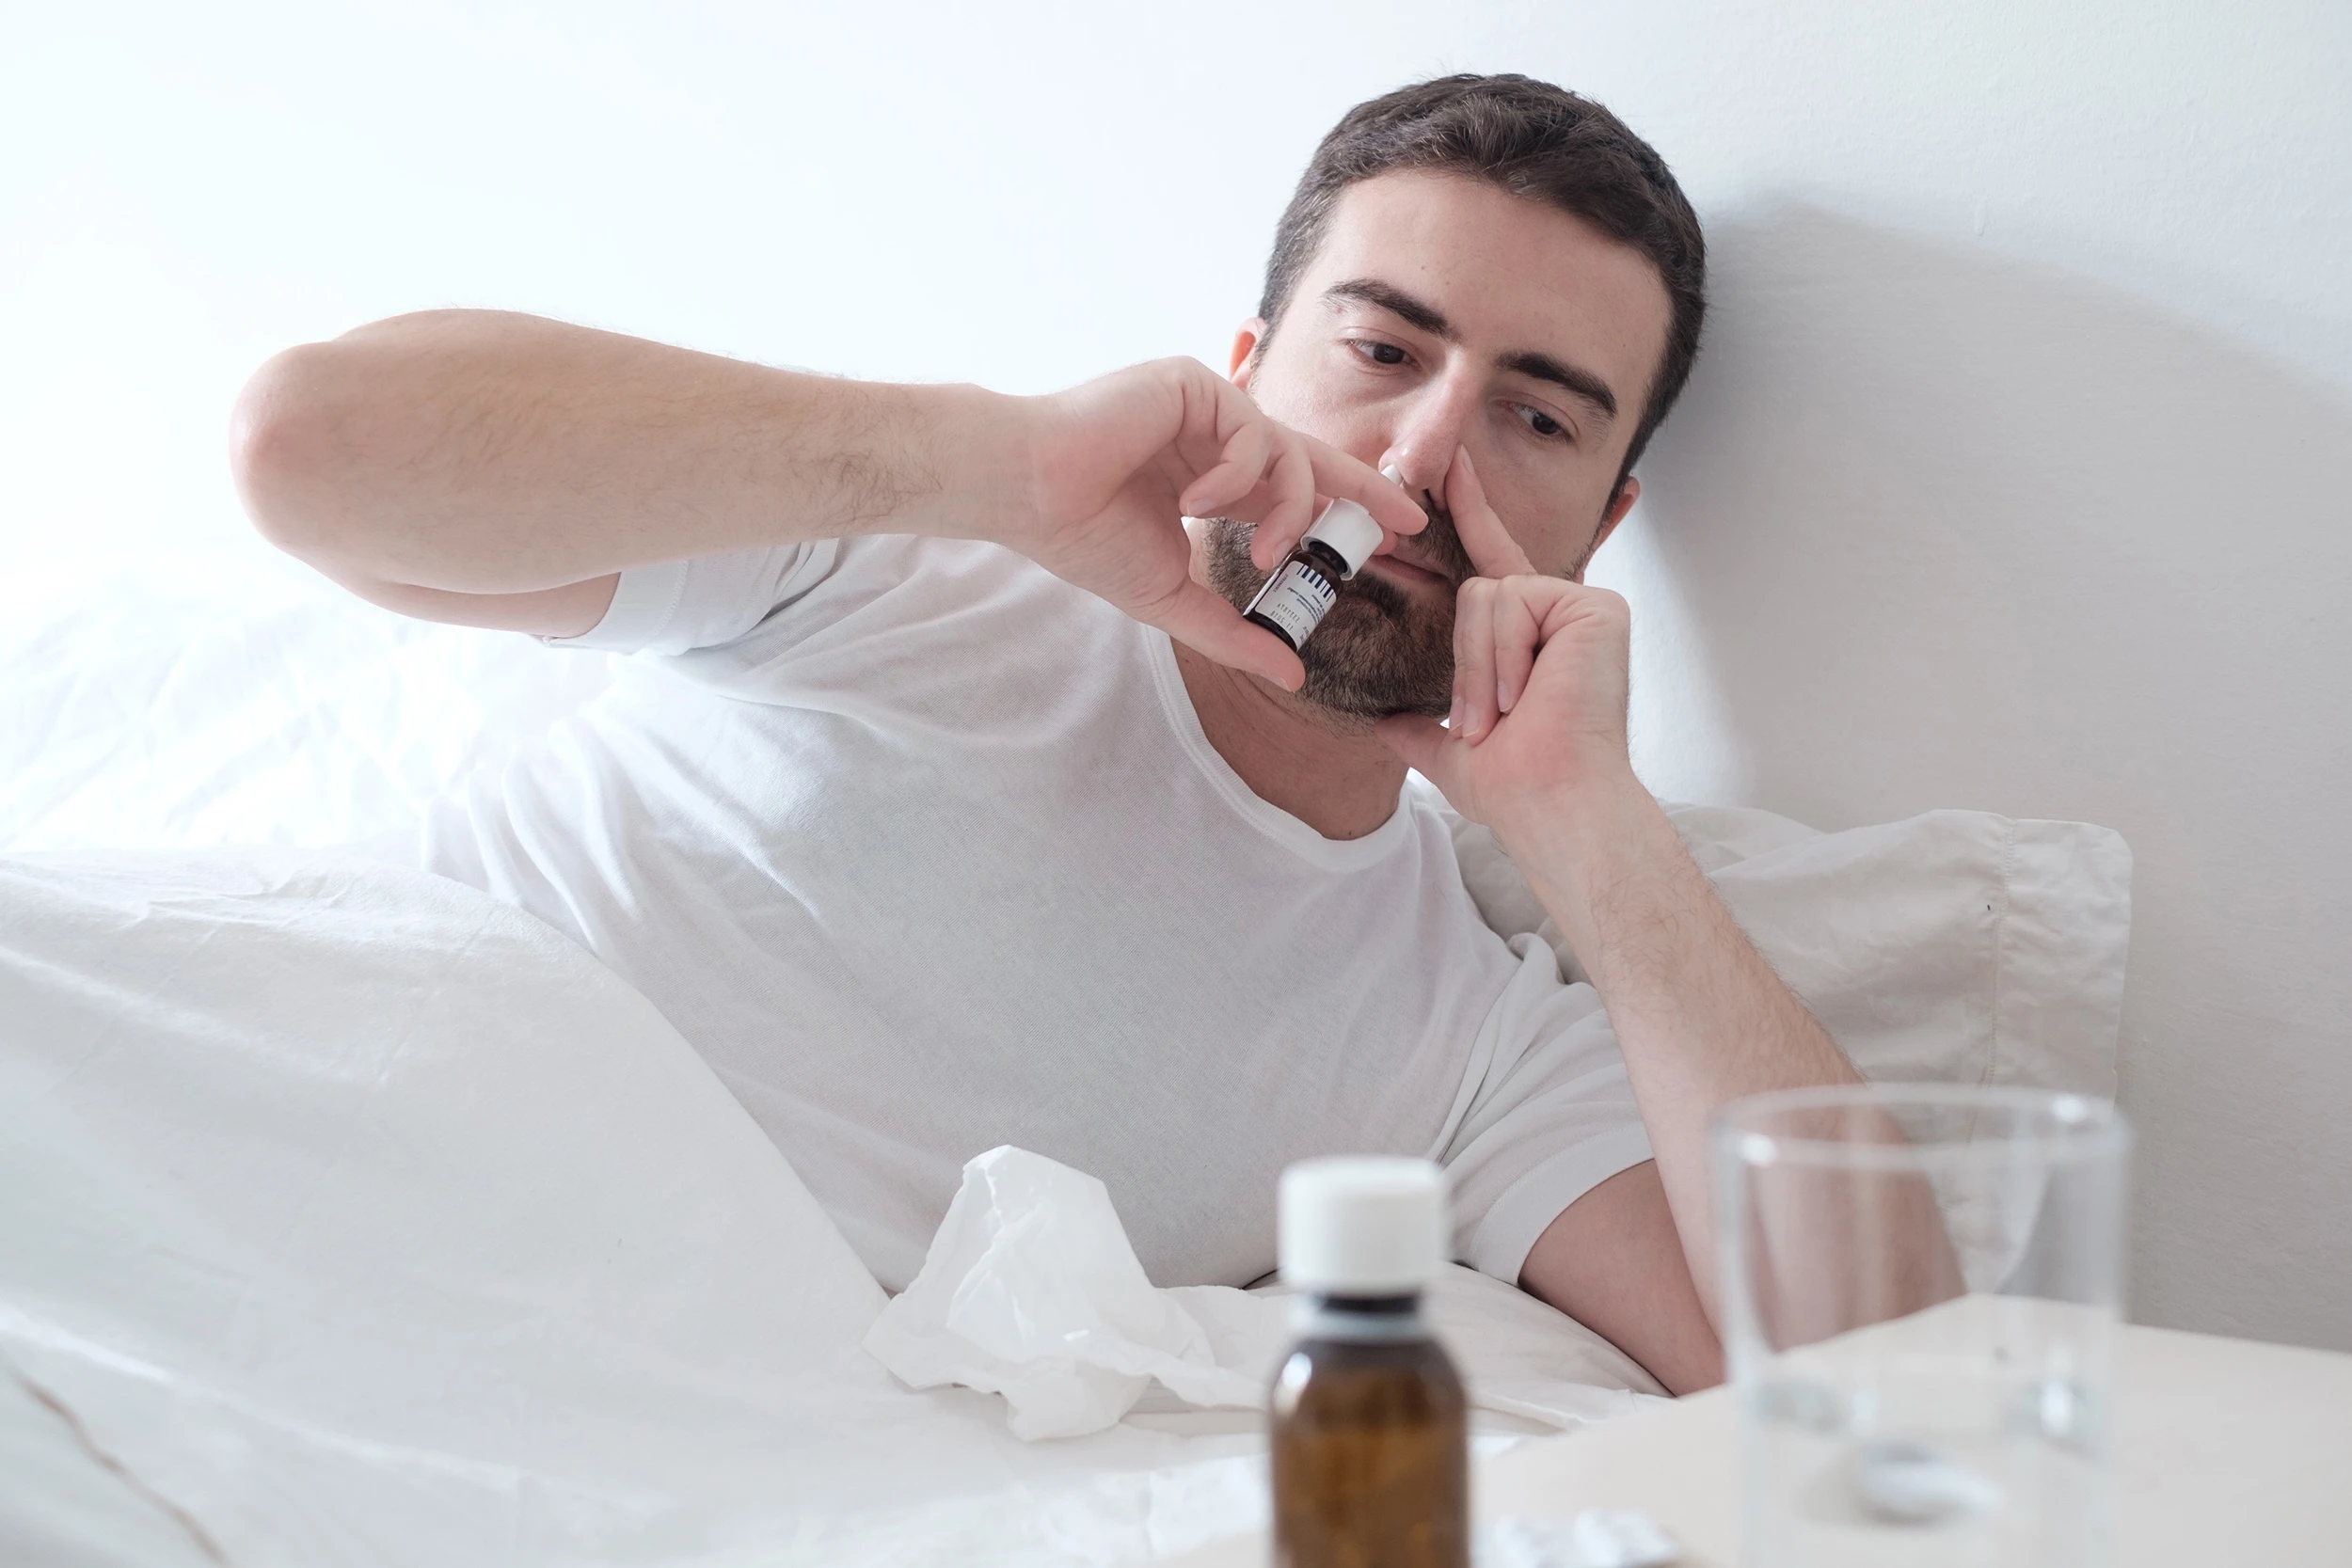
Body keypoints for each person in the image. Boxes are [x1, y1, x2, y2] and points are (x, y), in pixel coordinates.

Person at [230, 74, 1883, 1396]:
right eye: (1382, 349)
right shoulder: (906, 551)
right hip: (284, 1122)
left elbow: (1868, 1370)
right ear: (1249, 370)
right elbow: (305, 448)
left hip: (541, 1401)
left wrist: (1593, 822)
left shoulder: (1461, 1031)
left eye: (1536, 416)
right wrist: (994, 467)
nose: (1424, 457)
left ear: (1603, 527)